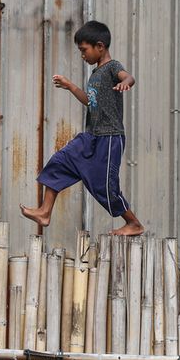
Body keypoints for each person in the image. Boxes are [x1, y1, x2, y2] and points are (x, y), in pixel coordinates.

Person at [21, 20, 145, 236]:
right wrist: (71, 87)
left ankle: (133, 223)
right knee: (60, 160)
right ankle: (45, 211)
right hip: (91, 135)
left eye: (84, 50)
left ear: (100, 46)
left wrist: (127, 82)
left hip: (109, 136)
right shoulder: (95, 74)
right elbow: (90, 101)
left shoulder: (112, 67)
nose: (82, 55)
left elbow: (127, 76)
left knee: (104, 185)